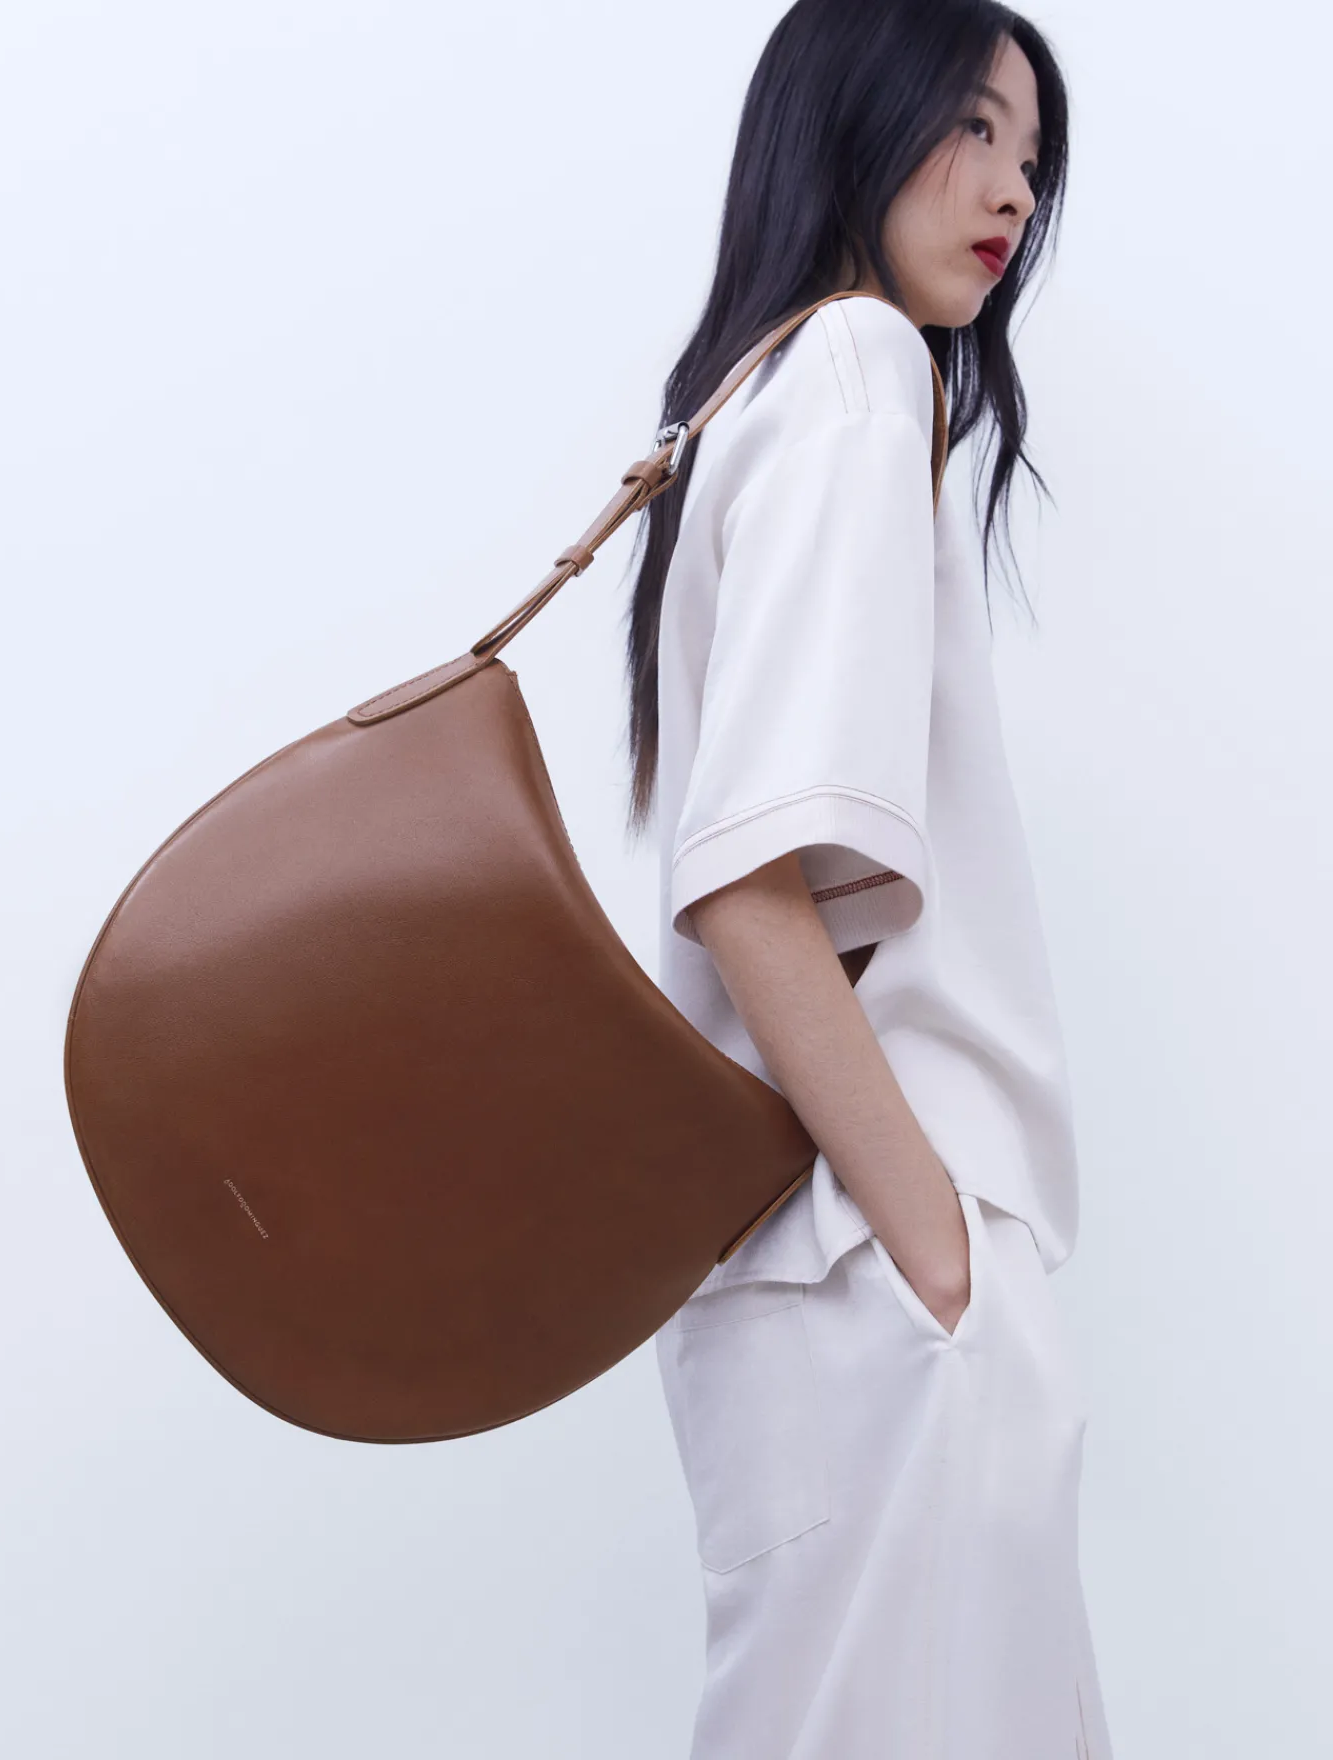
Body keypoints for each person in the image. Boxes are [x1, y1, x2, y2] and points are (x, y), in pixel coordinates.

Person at [622, 2, 1114, 1754]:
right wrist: (940, 1260)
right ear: (851, 112)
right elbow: (749, 883)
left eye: (1032, 158)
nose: (1013, 192)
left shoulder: (751, 395)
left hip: (819, 1275)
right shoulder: (852, 370)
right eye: (972, 126)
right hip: (880, 1269)